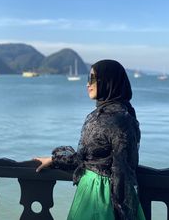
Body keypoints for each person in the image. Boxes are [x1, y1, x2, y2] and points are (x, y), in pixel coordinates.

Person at [34, 59, 146, 220]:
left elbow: (123, 170)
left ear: (108, 81)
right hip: (88, 190)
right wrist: (54, 159)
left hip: (104, 197)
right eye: (88, 79)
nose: (88, 84)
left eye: (93, 79)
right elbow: (84, 157)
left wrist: (122, 212)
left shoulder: (121, 120)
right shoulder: (98, 115)